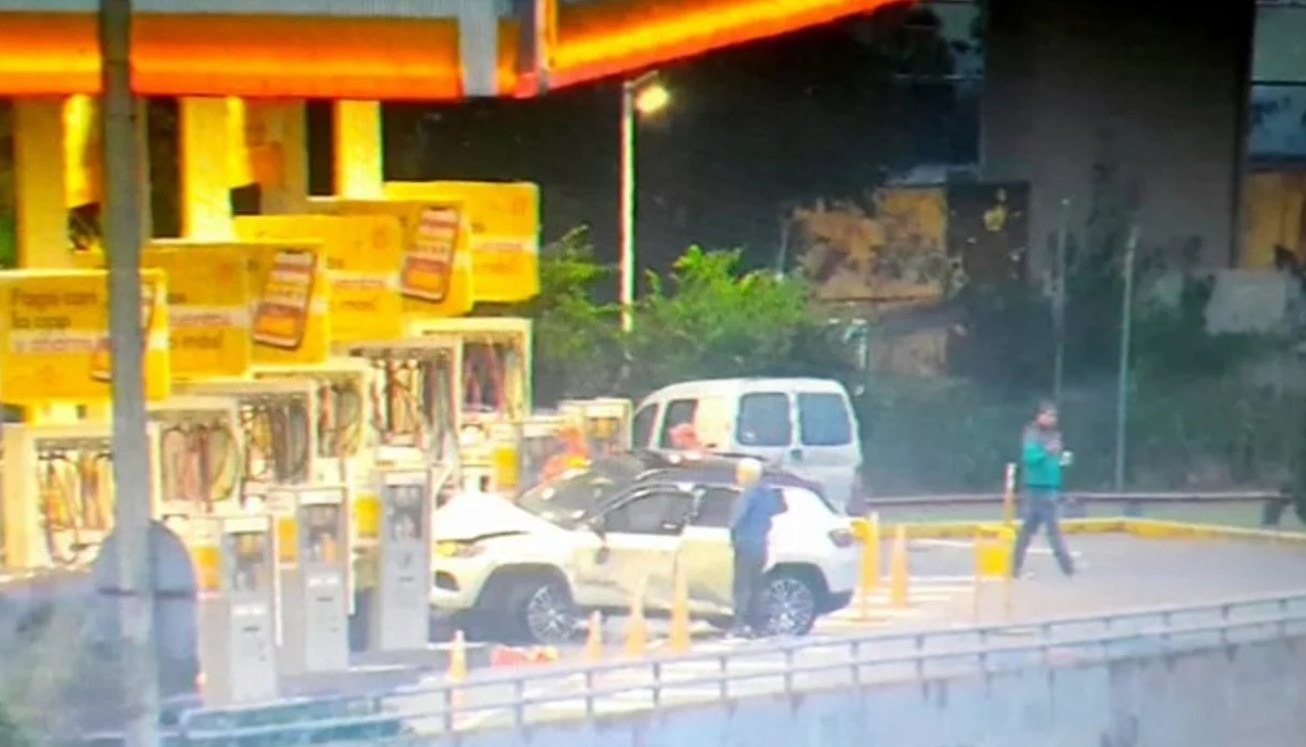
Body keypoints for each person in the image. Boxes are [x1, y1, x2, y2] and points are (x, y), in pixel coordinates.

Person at [1011, 400, 1075, 579]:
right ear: (1038, 416)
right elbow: (1029, 458)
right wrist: (1047, 451)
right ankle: (1066, 566)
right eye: (1047, 415)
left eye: (1053, 416)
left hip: (1051, 487)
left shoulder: (1055, 435)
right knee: (1036, 529)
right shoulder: (1032, 434)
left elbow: (1057, 460)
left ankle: (1066, 566)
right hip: (1035, 489)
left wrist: (1064, 460)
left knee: (1042, 529)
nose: (1050, 419)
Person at [728, 458, 783, 637]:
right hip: (761, 545)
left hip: (744, 544)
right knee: (757, 586)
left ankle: (739, 625)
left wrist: (731, 534)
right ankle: (758, 625)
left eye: (739, 473)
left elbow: (736, 519)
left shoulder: (747, 495)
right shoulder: (767, 494)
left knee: (742, 587)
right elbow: (776, 510)